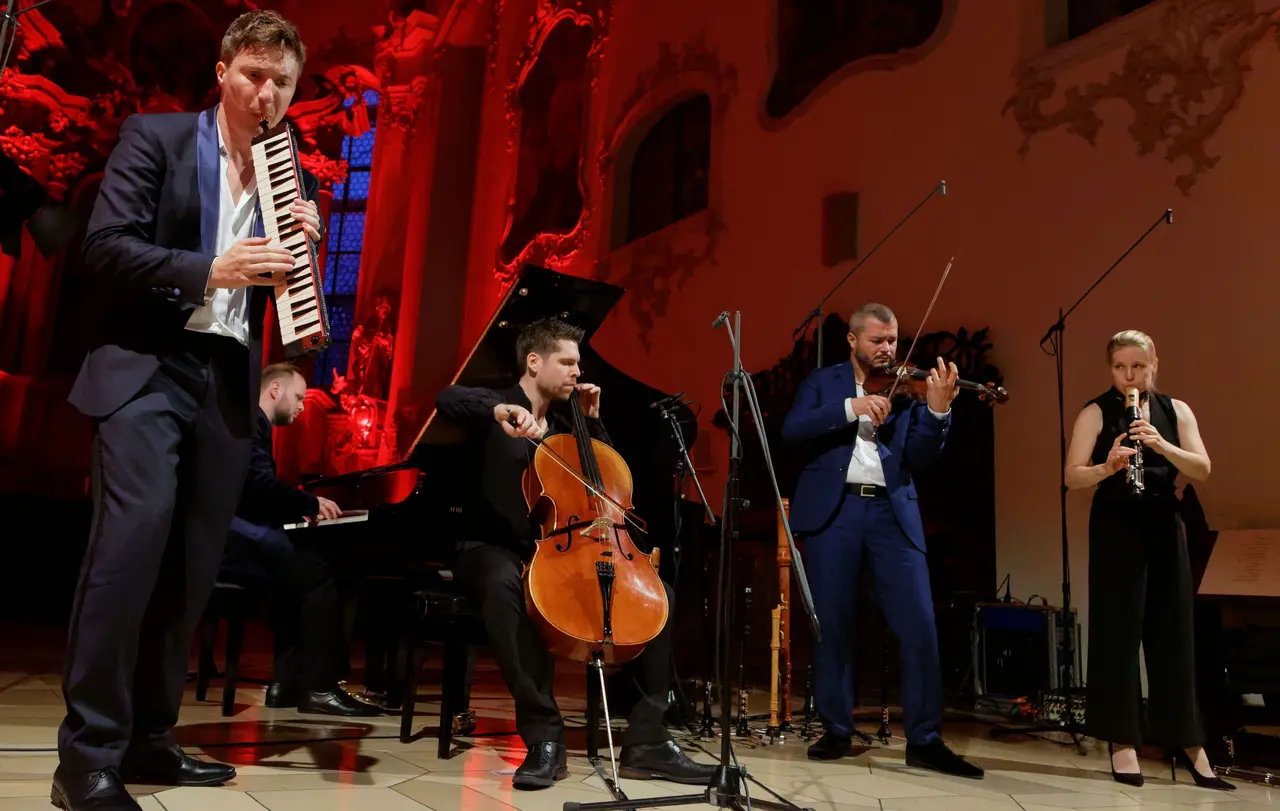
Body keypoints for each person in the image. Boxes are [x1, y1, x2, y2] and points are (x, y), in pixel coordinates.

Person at [55, 11, 322, 810]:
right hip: (148, 366)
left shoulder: (290, 171)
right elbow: (102, 248)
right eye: (253, 74)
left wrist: (299, 250)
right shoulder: (159, 137)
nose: (266, 92)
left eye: (282, 81)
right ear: (223, 71)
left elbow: (281, 290)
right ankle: (87, 758)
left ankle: (149, 738)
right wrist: (212, 266)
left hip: (227, 379)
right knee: (129, 551)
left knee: (191, 568)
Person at [433, 318, 716, 791]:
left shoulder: (569, 422)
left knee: (658, 594)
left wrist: (594, 422)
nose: (576, 370)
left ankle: (647, 739)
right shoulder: (497, 406)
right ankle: (544, 736)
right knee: (505, 584)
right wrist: (501, 408)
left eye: (577, 362)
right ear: (534, 362)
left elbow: (606, 483)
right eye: (567, 361)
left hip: (568, 549)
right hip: (492, 545)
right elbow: (446, 398)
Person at [781, 303, 982, 778]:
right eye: (877, 341)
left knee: (919, 625)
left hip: (892, 512)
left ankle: (926, 740)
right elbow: (793, 429)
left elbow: (921, 456)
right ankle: (835, 728)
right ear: (853, 341)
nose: (888, 350)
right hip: (836, 511)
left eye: (893, 340)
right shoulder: (823, 383)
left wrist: (936, 409)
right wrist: (851, 407)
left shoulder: (909, 393)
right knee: (834, 623)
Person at [1065, 330, 1231, 790]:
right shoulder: (1096, 411)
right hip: (1117, 524)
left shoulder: (1176, 411)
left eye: (1138, 366)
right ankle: (1122, 743)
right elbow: (1072, 475)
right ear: (1110, 369)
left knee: (1174, 632)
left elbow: (1202, 467)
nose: (1129, 376)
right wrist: (1108, 466)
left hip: (1163, 519)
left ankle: (1191, 744)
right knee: (1119, 631)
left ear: (1154, 363)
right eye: (1120, 367)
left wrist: (1161, 446)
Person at [219, 363, 380, 717]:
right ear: (274, 389)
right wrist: (308, 503)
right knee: (321, 572)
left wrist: (294, 510)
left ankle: (286, 683)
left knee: (297, 571)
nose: (302, 407)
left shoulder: (251, 421)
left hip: (233, 531)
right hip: (228, 539)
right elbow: (257, 483)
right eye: (298, 398)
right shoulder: (251, 422)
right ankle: (321, 686)